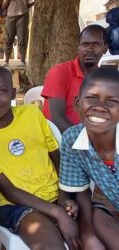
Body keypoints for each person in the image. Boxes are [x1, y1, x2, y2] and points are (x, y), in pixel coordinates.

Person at [0, 65, 80, 250]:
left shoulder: (31, 114)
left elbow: (57, 158)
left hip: (55, 195)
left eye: (3, 91)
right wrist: (57, 213)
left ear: (14, 94)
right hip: (15, 204)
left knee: (90, 235)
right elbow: (9, 191)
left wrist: (64, 198)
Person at [59, 67, 119, 250]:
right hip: (109, 205)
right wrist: (87, 232)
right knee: (96, 225)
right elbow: (80, 190)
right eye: (92, 98)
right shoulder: (72, 139)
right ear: (77, 103)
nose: (100, 106)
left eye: (113, 101)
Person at [41, 24, 108, 133]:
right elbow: (57, 119)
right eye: (85, 44)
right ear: (78, 48)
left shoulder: (104, 79)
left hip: (94, 136)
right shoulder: (59, 72)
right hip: (60, 138)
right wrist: (85, 140)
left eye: (95, 44)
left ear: (105, 48)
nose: (89, 49)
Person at [1, 0, 34, 67]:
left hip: (23, 15)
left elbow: (31, 3)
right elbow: (3, 6)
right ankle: (6, 61)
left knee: (22, 37)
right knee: (9, 38)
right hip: (10, 15)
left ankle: (22, 61)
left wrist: (23, 7)